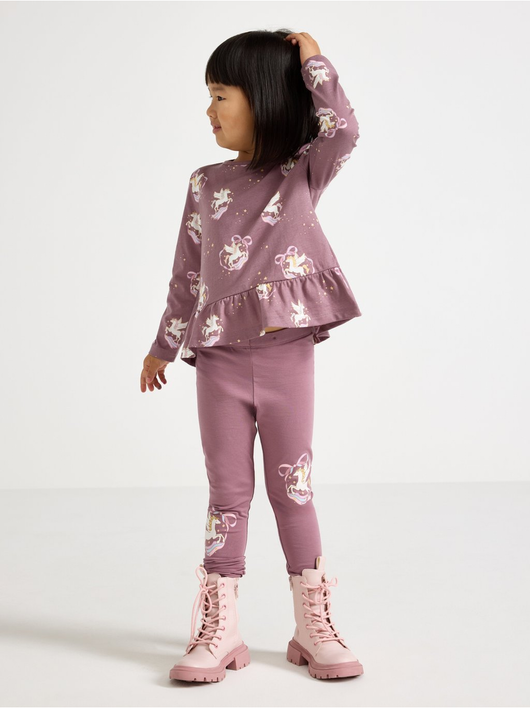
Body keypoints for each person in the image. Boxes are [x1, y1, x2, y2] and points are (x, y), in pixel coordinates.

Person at [140, 29, 365, 683]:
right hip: (219, 364)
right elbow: (187, 276)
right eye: (208, 96)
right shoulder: (205, 183)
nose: (208, 111)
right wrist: (162, 346)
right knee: (227, 494)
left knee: (292, 489)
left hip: (288, 357)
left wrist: (312, 60)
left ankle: (312, 624)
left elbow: (343, 129)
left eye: (220, 95)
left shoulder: (301, 171)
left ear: (264, 98)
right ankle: (222, 629)